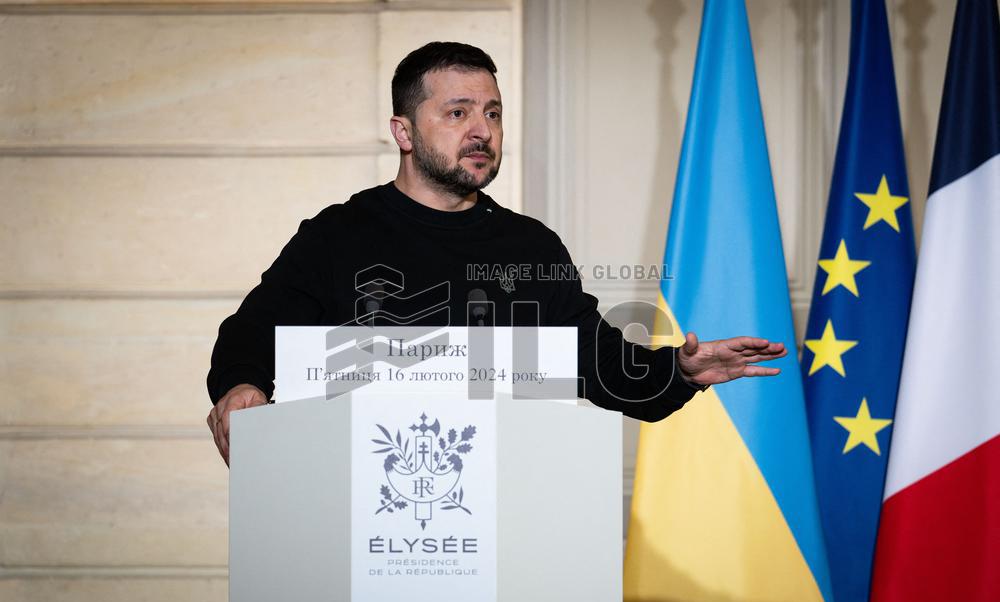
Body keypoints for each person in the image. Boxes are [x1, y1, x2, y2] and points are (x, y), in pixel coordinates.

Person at [206, 42, 786, 465]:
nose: (482, 130)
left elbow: (598, 365)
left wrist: (678, 372)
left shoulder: (530, 246)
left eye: (493, 112)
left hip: (506, 536)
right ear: (403, 132)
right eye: (457, 112)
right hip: (356, 520)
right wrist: (241, 385)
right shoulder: (336, 234)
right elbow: (252, 332)